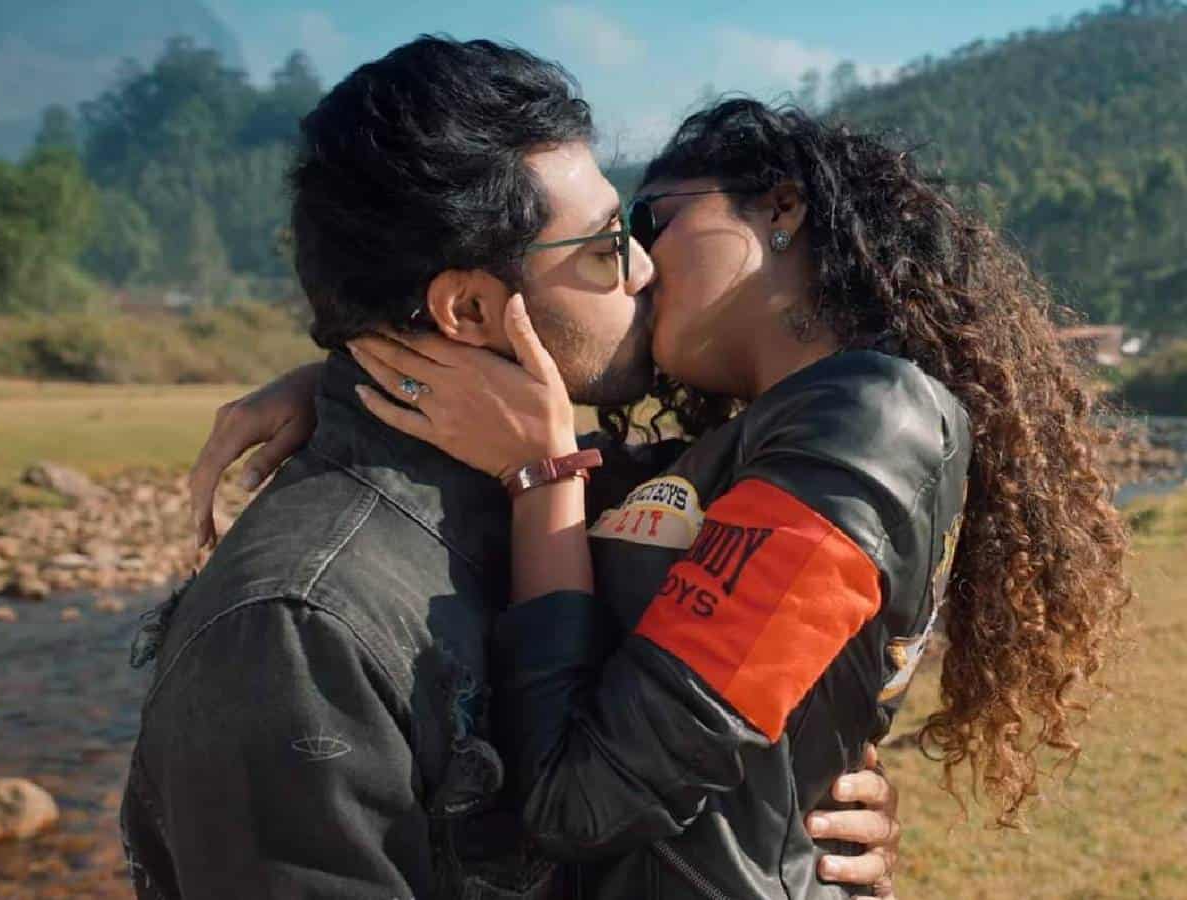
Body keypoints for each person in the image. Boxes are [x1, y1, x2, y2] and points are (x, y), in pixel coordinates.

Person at [197, 99, 1131, 898]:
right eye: (614, 245)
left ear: (782, 210)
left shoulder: (872, 423)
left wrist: (543, 479)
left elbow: (578, 802)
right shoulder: (746, 451)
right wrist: (359, 378)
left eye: (650, 223)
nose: (637, 268)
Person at [124, 38, 900, 900]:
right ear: (468, 309)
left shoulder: (572, 496)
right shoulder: (298, 631)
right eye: (608, 246)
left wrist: (794, 813)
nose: (645, 271)